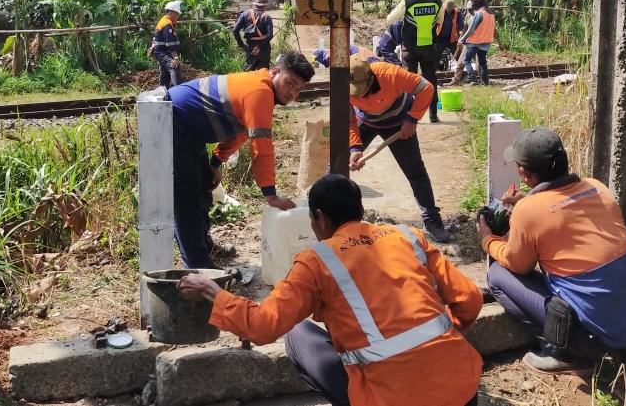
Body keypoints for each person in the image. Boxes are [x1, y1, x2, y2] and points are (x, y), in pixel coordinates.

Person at [177, 174, 484, 406]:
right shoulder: (408, 236)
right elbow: (469, 300)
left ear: (320, 218)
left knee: (297, 332)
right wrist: (440, 336)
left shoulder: (317, 261)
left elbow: (262, 326)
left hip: (391, 398)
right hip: (461, 388)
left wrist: (214, 293)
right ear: (360, 209)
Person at [479, 128, 626, 374]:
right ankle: (614, 350)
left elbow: (518, 265)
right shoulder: (597, 188)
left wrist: (488, 239)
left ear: (524, 173)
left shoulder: (529, 210)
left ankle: (565, 353)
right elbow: (564, 213)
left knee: (497, 274)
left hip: (596, 341)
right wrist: (529, 201)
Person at [168, 50, 315, 268]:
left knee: (203, 189)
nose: (292, 92)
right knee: (187, 199)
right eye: (290, 83)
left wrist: (215, 163)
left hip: (189, 129)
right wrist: (271, 196)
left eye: (298, 89)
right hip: (173, 119)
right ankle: (200, 268)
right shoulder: (260, 91)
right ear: (275, 72)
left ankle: (203, 246)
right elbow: (262, 148)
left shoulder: (261, 88)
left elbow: (242, 132)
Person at [347, 54, 451, 243]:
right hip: (366, 122)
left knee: (415, 172)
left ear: (371, 78)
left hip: (398, 121)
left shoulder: (390, 73)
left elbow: (426, 88)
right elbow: (348, 118)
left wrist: (412, 119)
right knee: (337, 167)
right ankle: (335, 219)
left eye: (361, 89)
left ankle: (432, 220)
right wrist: (354, 147)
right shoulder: (341, 84)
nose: (359, 94)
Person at [385, 0, 441, 123]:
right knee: (431, 80)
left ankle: (408, 115)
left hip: (410, 48)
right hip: (429, 48)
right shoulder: (436, 0)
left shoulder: (408, 1)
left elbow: (389, 19)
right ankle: (433, 115)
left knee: (408, 81)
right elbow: (440, 20)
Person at [453, 0, 495, 85]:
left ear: (477, 3)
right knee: (483, 63)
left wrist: (462, 39)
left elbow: (471, 29)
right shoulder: (491, 13)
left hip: (474, 42)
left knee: (466, 61)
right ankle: (485, 82)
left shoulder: (479, 13)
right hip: (486, 43)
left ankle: (473, 78)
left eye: (473, 3)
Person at [233, 0, 274, 71]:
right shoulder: (267, 17)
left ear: (256, 3)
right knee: (262, 75)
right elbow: (269, 35)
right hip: (264, 49)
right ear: (265, 5)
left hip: (250, 48)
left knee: (248, 75)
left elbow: (235, 30)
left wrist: (241, 44)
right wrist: (259, 47)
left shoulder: (245, 14)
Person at [149, 0, 183, 88]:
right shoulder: (167, 24)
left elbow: (156, 35)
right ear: (170, 12)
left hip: (160, 51)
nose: (178, 16)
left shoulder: (164, 21)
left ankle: (163, 92)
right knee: (175, 67)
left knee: (165, 74)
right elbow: (170, 42)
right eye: (177, 13)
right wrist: (175, 57)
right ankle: (179, 93)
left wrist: (153, 44)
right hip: (162, 51)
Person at [436, 0, 464, 71]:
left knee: (459, 55)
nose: (448, 10)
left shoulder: (457, 13)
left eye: (450, 9)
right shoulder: (440, 12)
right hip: (440, 37)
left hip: (452, 38)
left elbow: (461, 26)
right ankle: (437, 71)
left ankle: (461, 72)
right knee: (436, 55)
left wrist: (461, 38)